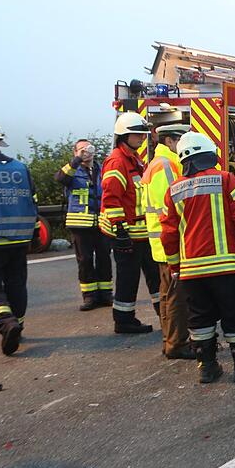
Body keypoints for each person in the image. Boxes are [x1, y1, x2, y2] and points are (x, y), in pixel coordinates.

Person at [160, 132, 235, 384]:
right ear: (209, 154)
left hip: (192, 273)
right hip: (227, 269)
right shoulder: (227, 180)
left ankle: (207, 367)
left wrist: (175, 266)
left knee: (200, 320)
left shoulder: (173, 191)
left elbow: (168, 235)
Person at [101, 113, 160, 334]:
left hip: (142, 232)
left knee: (154, 276)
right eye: (137, 134)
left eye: (143, 134)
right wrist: (119, 230)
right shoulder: (117, 161)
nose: (142, 138)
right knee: (128, 279)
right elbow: (111, 199)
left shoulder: (134, 159)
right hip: (127, 233)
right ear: (124, 136)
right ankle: (124, 321)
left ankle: (165, 314)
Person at [143, 119, 194, 360]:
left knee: (166, 295)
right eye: (180, 141)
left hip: (160, 242)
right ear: (169, 140)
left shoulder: (159, 163)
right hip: (170, 241)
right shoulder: (166, 166)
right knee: (177, 297)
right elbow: (172, 205)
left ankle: (169, 340)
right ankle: (177, 343)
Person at [0, 121, 37, 355]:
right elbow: (31, 199)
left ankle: (7, 323)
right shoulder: (20, 168)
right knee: (16, 284)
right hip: (19, 238)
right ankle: (19, 323)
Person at [54, 138, 111, 310]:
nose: (86, 152)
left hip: (102, 222)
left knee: (104, 259)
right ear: (75, 152)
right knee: (85, 260)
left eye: (88, 148)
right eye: (81, 149)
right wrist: (77, 159)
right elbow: (60, 178)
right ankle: (89, 296)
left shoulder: (103, 169)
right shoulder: (72, 169)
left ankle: (106, 294)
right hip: (80, 224)